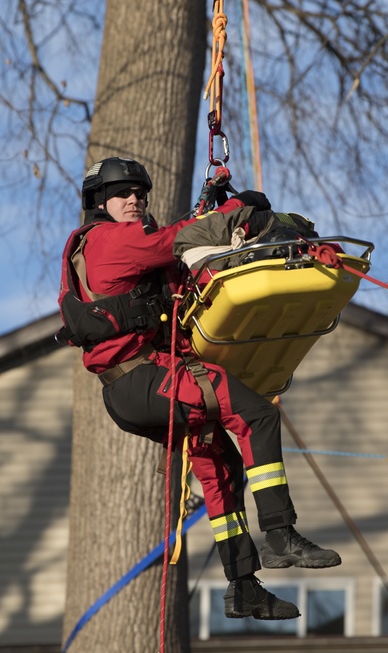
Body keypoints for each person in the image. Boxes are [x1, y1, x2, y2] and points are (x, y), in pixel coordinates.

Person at [58, 156, 341, 621]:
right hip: (142, 378)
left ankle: (243, 586)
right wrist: (240, 215)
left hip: (132, 386)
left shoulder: (102, 251)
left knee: (218, 462)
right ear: (99, 204)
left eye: (139, 193)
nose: (134, 200)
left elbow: (170, 265)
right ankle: (280, 535)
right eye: (122, 194)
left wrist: (206, 213)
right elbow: (176, 241)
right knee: (256, 414)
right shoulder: (112, 240)